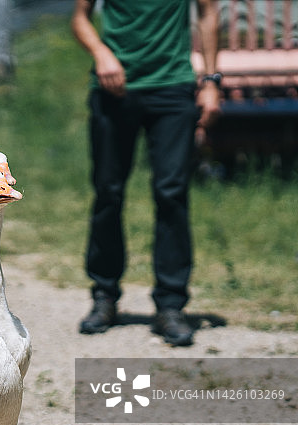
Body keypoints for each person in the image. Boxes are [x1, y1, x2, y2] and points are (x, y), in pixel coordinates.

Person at [71, 0, 221, 346]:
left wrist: (211, 81)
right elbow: (80, 18)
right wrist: (100, 52)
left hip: (172, 87)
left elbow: (208, 12)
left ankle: (170, 305)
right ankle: (104, 296)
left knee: (172, 192)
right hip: (113, 89)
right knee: (108, 193)